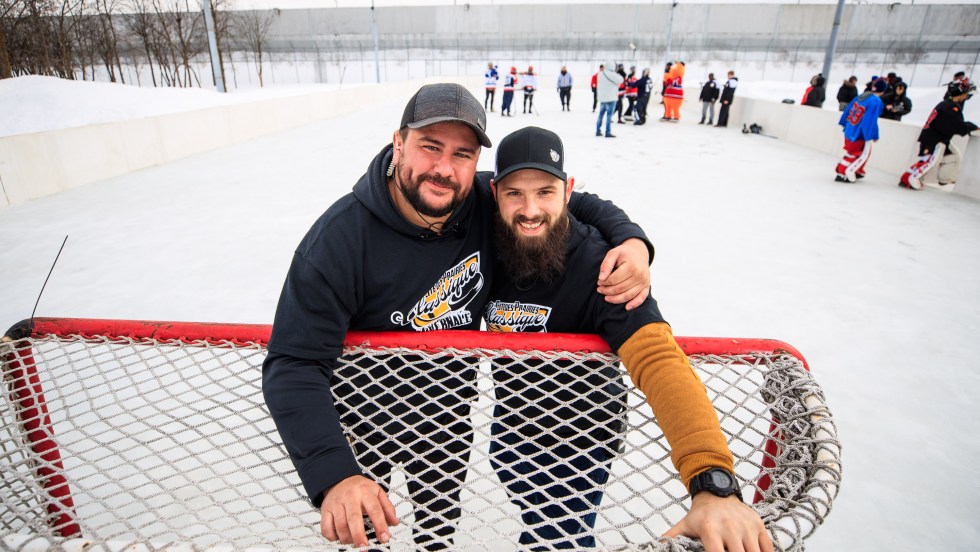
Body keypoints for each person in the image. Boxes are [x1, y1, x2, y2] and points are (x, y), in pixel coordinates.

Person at [262, 83, 654, 551]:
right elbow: (294, 363)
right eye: (430, 147)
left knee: (438, 536)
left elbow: (565, 198)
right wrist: (335, 473)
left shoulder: (480, 201)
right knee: (364, 539)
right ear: (399, 143)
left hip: (446, 422)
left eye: (462, 154)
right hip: (360, 428)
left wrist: (632, 241)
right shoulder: (338, 241)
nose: (444, 168)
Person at [485, 126, 775, 551]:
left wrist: (713, 481)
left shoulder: (602, 266)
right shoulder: (483, 232)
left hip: (579, 435)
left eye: (545, 192)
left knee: (559, 538)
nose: (530, 209)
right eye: (515, 194)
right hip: (511, 427)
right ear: (494, 193)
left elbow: (659, 359)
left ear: (567, 190)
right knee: (537, 526)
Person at [900, 78, 977, 190]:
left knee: (946, 158)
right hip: (935, 140)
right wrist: (972, 126)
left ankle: (907, 177)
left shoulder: (945, 104)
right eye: (967, 94)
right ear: (962, 93)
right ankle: (913, 178)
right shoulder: (951, 108)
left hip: (931, 138)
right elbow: (958, 126)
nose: (968, 96)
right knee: (931, 161)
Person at [835, 79, 887, 182]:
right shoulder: (876, 101)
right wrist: (873, 135)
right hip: (859, 133)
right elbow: (870, 120)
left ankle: (857, 170)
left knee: (854, 152)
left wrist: (844, 123)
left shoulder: (862, 96)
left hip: (850, 129)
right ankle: (843, 172)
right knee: (858, 153)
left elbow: (848, 110)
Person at [595, 61, 623, 137]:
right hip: (611, 98)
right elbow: (621, 80)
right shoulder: (613, 75)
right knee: (609, 116)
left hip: (602, 98)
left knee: (600, 115)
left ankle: (597, 130)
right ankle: (608, 132)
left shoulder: (600, 74)